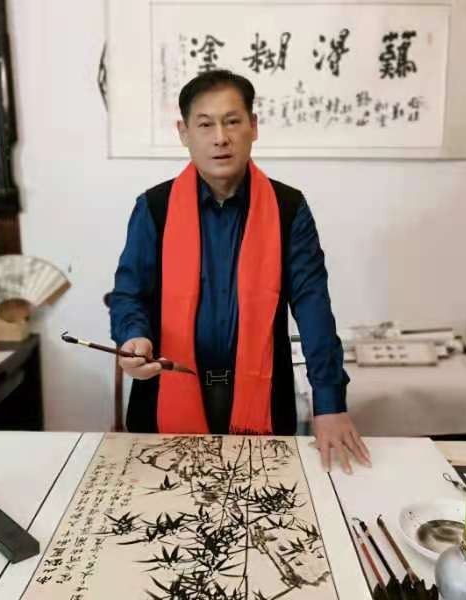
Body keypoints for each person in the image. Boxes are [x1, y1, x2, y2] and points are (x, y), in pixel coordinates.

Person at [109, 69, 370, 473]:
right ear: (183, 133)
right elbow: (129, 293)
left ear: (253, 127)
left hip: (261, 397)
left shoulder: (288, 208)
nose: (220, 138)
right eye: (205, 124)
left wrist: (330, 403)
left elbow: (313, 307)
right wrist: (133, 335)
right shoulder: (154, 207)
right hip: (164, 394)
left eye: (232, 121)